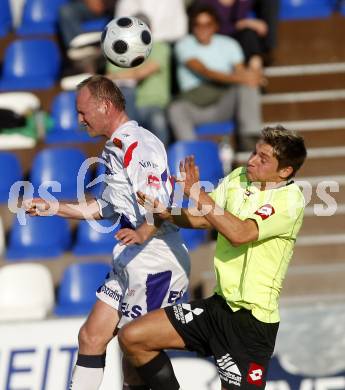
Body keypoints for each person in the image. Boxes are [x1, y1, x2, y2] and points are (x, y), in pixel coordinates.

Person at [24, 75, 190, 390]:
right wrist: (53, 207)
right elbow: (103, 208)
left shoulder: (138, 145)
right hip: (131, 259)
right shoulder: (115, 148)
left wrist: (144, 230)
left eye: (83, 111)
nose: (79, 119)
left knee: (135, 356)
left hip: (155, 262)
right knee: (90, 336)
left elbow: (162, 201)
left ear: (105, 106)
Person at [117, 125, 307, 390]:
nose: (251, 161)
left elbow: (239, 233)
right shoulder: (239, 177)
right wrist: (168, 215)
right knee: (133, 337)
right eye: (254, 153)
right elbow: (206, 219)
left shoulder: (290, 201)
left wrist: (197, 192)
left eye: (263, 159)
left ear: (285, 171)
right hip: (218, 307)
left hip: (251, 323)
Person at [168, 5, 264, 151]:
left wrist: (252, 77)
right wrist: (244, 78)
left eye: (208, 24)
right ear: (192, 27)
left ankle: (249, 138)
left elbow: (241, 72)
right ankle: (191, 154)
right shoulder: (184, 44)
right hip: (195, 104)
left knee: (248, 87)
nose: (202, 28)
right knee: (175, 109)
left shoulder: (230, 44)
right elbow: (204, 71)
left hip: (223, 103)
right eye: (197, 24)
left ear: (215, 26)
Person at [106, 13, 172, 147]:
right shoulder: (117, 50)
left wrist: (120, 75)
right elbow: (109, 78)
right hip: (126, 106)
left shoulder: (160, 48)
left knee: (157, 120)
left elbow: (141, 73)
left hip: (153, 104)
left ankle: (161, 163)